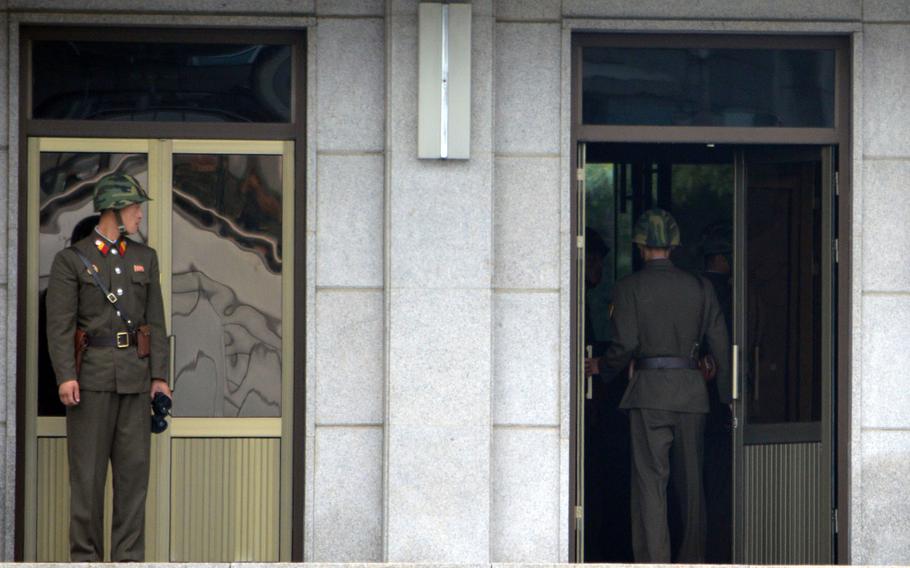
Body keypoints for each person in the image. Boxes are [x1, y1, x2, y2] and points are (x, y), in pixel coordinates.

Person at [46, 173, 171, 561]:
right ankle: (85, 558)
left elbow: (156, 323)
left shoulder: (144, 258)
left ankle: (128, 560)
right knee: (87, 480)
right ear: (114, 209)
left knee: (133, 480)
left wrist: (160, 378)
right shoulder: (71, 260)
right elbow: (61, 324)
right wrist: (66, 374)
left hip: (134, 380)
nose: (139, 215)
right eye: (135, 207)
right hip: (91, 380)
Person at [602, 208, 730, 563]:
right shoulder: (701, 287)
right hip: (691, 394)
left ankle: (653, 562)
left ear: (640, 246)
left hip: (649, 395)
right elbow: (720, 343)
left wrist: (604, 368)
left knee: (650, 487)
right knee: (692, 492)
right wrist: (728, 394)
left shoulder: (628, 287)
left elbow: (624, 345)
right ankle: (692, 561)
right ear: (674, 245)